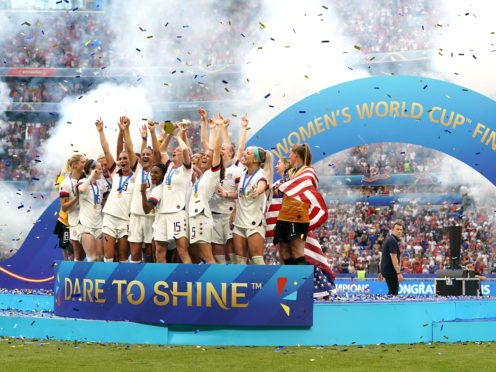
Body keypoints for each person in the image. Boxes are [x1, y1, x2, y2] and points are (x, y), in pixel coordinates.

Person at [231, 146, 273, 264]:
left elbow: (262, 185)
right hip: (239, 222)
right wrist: (226, 194)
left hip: (254, 223)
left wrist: (258, 191)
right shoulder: (244, 174)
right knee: (239, 261)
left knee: (257, 260)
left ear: (255, 160)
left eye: (248, 153)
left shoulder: (261, 175)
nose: (244, 154)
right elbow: (241, 194)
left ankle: (263, 283)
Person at [78, 159, 107, 262]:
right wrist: (91, 175)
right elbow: (81, 189)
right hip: (86, 226)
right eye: (99, 169)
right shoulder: (82, 181)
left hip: (98, 225)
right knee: (92, 258)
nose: (101, 170)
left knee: (100, 257)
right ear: (92, 170)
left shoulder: (100, 184)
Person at [59, 153, 86, 261]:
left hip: (90, 220)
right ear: (74, 164)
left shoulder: (87, 179)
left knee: (90, 254)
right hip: (75, 222)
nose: (85, 164)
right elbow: (64, 207)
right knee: (78, 255)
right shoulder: (65, 184)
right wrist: (76, 198)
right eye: (83, 162)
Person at [378, 221, 405, 295]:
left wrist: (381, 272)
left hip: (387, 271)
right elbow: (393, 257)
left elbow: (383, 256)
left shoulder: (389, 239)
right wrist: (399, 273)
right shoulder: (392, 240)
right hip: (391, 272)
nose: (399, 231)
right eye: (397, 229)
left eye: (401, 230)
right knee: (393, 293)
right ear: (392, 230)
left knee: (392, 292)